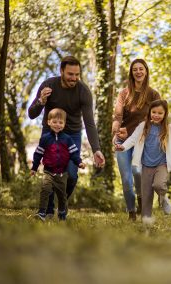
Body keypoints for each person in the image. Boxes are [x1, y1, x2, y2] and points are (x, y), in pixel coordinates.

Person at [28, 56, 105, 217]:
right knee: (50, 171)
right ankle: (48, 211)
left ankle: (61, 202)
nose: (74, 78)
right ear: (61, 71)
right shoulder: (48, 85)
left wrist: (96, 149)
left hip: (72, 134)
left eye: (77, 74)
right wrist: (41, 101)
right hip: (49, 133)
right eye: (70, 74)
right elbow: (31, 114)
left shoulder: (83, 92)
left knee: (71, 174)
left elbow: (89, 123)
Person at [112, 59, 160, 221]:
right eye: (135, 70)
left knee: (138, 172)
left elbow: (160, 117)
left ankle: (141, 200)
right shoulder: (124, 93)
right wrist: (116, 129)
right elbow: (118, 116)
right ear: (131, 73)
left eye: (141, 69)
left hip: (142, 141)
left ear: (146, 71)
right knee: (126, 179)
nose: (138, 72)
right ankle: (131, 212)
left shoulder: (153, 94)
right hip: (123, 141)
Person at [31, 108, 86, 221]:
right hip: (48, 172)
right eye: (55, 122)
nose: (57, 125)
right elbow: (38, 153)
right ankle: (42, 213)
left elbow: (74, 153)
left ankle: (61, 212)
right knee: (45, 190)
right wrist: (34, 168)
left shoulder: (67, 139)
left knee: (62, 196)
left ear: (64, 124)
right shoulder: (45, 139)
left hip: (62, 173)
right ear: (49, 122)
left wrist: (79, 162)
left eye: (60, 122)